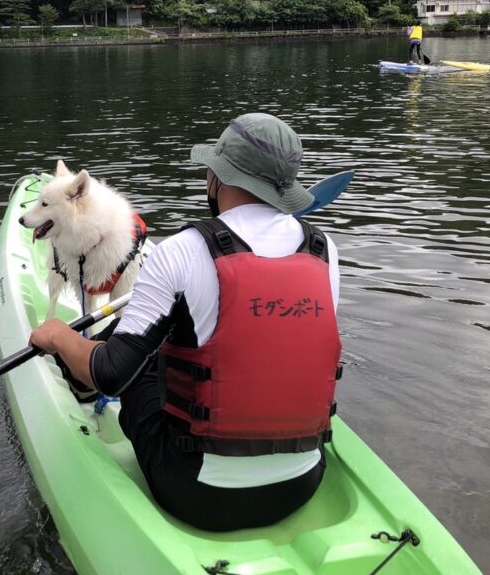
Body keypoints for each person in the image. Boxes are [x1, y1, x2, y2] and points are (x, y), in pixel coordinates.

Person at [29, 113, 342, 532]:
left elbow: (111, 372)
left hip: (198, 494)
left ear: (215, 176)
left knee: (144, 363)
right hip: (304, 482)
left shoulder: (180, 251)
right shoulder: (325, 251)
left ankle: (77, 390)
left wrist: (60, 337)